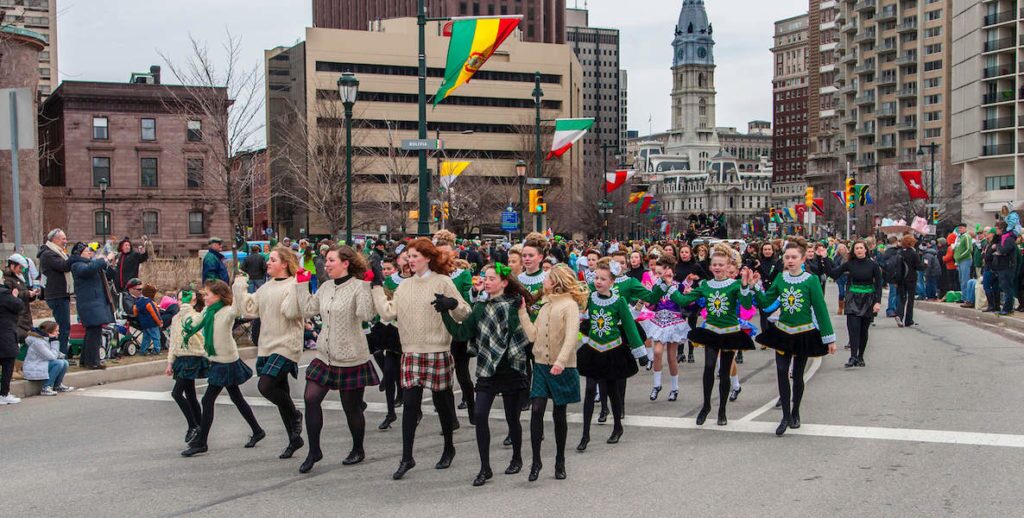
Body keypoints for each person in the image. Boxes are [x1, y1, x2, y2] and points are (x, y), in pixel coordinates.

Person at [370, 237, 471, 480]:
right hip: (411, 352)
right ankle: (407, 457)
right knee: (410, 406)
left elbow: (465, 311)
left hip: (437, 350)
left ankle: (449, 446)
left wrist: (452, 303)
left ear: (427, 257)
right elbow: (388, 312)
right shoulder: (403, 286)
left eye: (415, 256)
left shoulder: (443, 281)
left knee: (443, 404)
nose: (410, 260)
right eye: (408, 256)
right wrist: (375, 287)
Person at [439, 263, 533, 487]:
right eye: (485, 277)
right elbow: (462, 333)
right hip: (487, 370)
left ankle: (517, 457)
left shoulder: (514, 304)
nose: (486, 281)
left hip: (510, 368)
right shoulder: (480, 306)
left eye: (491, 278)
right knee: (480, 415)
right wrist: (445, 311)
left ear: (504, 282)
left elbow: (523, 335)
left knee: (513, 418)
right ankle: (485, 468)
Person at [295, 245, 378, 473]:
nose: (327, 264)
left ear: (345, 263)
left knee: (351, 408)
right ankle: (314, 451)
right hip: (324, 356)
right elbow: (308, 310)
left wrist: (365, 285)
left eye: (331, 260)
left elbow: (366, 315)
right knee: (311, 398)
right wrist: (302, 284)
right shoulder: (325, 286)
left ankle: (358, 448)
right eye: (326, 260)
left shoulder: (356, 286)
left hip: (351, 357)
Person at [654, 243, 755, 426]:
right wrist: (669, 286)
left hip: (730, 333)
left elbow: (747, 305)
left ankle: (722, 410)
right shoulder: (706, 286)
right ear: (710, 267)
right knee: (708, 367)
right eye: (714, 264)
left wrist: (746, 286)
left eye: (721, 265)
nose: (717, 268)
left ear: (727, 266)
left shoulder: (735, 285)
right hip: (711, 332)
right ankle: (706, 405)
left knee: (724, 373)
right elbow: (684, 300)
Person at [752, 239, 836, 436]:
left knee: (797, 375)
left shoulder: (811, 280)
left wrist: (829, 338)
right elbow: (765, 303)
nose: (790, 261)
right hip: (783, 332)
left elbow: (821, 309)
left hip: (803, 334)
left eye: (794, 257)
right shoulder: (781, 279)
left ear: (802, 258)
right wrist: (755, 287)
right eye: (787, 257)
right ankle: (785, 416)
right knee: (781, 371)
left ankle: (796, 411)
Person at [232, 245, 307, 460]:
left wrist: (299, 286)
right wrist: (239, 285)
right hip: (267, 344)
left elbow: (292, 312)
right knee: (279, 388)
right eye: (268, 260)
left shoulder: (294, 285)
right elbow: (247, 310)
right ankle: (294, 438)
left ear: (284, 263)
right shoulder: (266, 287)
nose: (268, 263)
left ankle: (295, 416)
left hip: (286, 344)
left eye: (272, 260)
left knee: (266, 386)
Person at [181, 280, 264, 457]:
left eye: (208, 294)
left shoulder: (227, 312)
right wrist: (186, 308)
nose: (205, 297)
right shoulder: (207, 311)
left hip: (226, 361)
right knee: (237, 398)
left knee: (207, 400)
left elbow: (238, 307)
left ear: (218, 296)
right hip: (217, 360)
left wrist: (239, 285)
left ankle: (202, 442)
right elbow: (195, 321)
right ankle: (257, 430)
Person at [517, 264, 585, 482]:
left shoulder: (569, 306)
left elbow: (571, 337)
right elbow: (533, 335)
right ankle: (536, 461)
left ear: (554, 282)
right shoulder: (545, 305)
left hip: (561, 366)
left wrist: (561, 362)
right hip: (540, 364)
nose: (543, 282)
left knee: (559, 414)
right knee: (536, 410)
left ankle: (560, 460)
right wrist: (522, 313)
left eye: (546, 279)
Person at [577, 257, 649, 451]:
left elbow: (629, 326)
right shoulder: (589, 297)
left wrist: (640, 352)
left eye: (603, 278)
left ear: (612, 281)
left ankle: (617, 426)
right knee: (590, 391)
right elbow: (582, 317)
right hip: (593, 350)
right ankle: (585, 434)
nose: (598, 282)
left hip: (612, 351)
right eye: (596, 278)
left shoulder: (619, 301)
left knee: (612, 391)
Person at [433, 230, 476, 426]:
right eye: (439, 253)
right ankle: (450, 417)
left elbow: (467, 300)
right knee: (443, 376)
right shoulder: (432, 276)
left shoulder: (462, 274)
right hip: (438, 328)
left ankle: (471, 405)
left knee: (462, 372)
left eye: (447, 253)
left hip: (458, 327)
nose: (444, 257)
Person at [828, 241, 883, 368]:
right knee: (853, 329)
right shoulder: (849, 264)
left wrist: (877, 302)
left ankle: (860, 356)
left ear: (865, 250)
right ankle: (852, 356)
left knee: (863, 330)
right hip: (853, 299)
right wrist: (824, 258)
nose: (859, 250)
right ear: (853, 251)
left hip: (868, 299)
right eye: (856, 248)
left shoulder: (873, 265)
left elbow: (879, 285)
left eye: (861, 248)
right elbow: (833, 274)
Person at [643, 254, 689, 402]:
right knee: (657, 352)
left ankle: (674, 388)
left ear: (668, 270)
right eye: (656, 273)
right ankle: (657, 385)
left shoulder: (678, 285)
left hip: (674, 321)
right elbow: (653, 301)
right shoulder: (657, 285)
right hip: (659, 320)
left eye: (659, 272)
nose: (657, 275)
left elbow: (684, 301)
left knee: (671, 357)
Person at [165, 290, 209, 445]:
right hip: (180, 358)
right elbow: (173, 342)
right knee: (190, 395)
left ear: (194, 301)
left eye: (186, 300)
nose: (181, 303)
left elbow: (200, 333)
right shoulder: (175, 318)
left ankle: (193, 425)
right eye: (178, 299)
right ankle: (199, 427)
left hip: (193, 357)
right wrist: (170, 362)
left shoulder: (196, 316)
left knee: (176, 393)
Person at [370, 254, 408, 431]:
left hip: (410, 332)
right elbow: (384, 302)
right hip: (393, 330)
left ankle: (412, 409)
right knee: (389, 370)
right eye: (405, 258)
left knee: (408, 377)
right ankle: (390, 412)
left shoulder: (419, 280)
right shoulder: (392, 281)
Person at [70, 243, 114, 370]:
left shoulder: (89, 264)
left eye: (90, 251)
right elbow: (87, 270)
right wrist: (104, 259)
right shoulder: (77, 265)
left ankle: (85, 360)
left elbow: (109, 274)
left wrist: (107, 263)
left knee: (92, 332)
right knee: (94, 332)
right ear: (79, 254)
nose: (90, 253)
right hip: (90, 303)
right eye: (86, 251)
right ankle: (92, 361)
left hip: (94, 302)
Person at [38, 229, 73, 356]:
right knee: (63, 328)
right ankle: (60, 355)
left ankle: (60, 353)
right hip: (56, 295)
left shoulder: (56, 252)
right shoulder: (48, 254)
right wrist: (73, 258)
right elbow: (64, 266)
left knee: (63, 327)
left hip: (61, 294)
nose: (65, 241)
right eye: (63, 239)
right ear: (55, 239)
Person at [23, 321, 73, 396]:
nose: (58, 333)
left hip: (41, 364)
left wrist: (59, 354)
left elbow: (54, 354)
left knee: (65, 362)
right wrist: (54, 342)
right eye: (56, 331)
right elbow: (51, 357)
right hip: (34, 368)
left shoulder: (45, 339)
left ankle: (57, 385)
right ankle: (46, 387)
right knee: (59, 363)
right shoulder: (38, 342)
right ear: (49, 332)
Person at [3, 254, 37, 343]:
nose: (21, 271)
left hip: (25, 316)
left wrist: (32, 295)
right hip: (18, 318)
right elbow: (9, 296)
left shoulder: (19, 279)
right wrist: (26, 293)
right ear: (12, 265)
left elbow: (21, 295)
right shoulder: (7, 280)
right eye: (20, 268)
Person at [0, 282, 25, 404]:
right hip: (5, 334)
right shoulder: (4, 294)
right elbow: (19, 306)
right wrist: (15, 296)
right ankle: (4, 393)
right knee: (8, 364)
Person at [894, 235, 925, 327]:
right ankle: (908, 320)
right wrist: (925, 264)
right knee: (910, 300)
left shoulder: (899, 253)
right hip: (911, 278)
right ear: (912, 243)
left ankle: (899, 314)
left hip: (901, 278)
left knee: (901, 298)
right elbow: (919, 267)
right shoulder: (913, 253)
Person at [991, 220, 1019, 315]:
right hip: (1002, 266)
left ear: (1001, 229)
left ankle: (1008, 308)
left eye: (997, 229)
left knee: (1007, 288)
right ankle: (1007, 307)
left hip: (1007, 266)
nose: (996, 231)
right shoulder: (1002, 238)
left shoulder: (1009, 239)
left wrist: (997, 248)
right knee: (1004, 286)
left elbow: (1004, 250)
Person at [132, 284, 163, 356]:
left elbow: (135, 310)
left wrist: (137, 317)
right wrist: (159, 322)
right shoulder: (149, 303)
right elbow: (154, 314)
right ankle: (156, 350)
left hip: (144, 323)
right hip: (152, 323)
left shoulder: (138, 301)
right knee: (156, 337)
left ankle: (143, 350)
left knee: (146, 338)